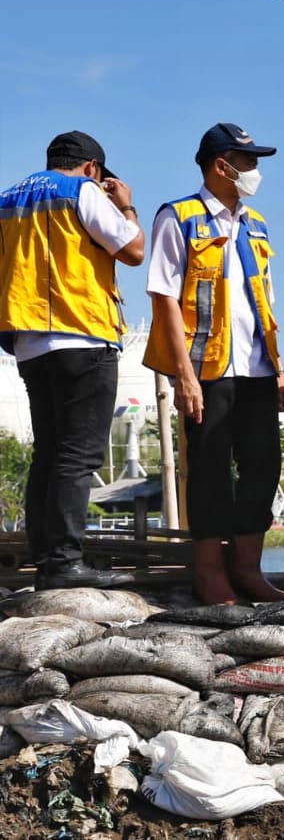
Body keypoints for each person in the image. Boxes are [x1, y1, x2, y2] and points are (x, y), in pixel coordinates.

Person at [143, 123, 284, 605]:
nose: (254, 170)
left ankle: (247, 568)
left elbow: (265, 299)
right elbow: (163, 295)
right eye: (247, 161)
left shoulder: (256, 225)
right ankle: (209, 573)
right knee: (208, 469)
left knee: (264, 464)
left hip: (257, 368)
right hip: (206, 366)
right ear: (220, 164)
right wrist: (182, 374)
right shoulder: (179, 216)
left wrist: (281, 368)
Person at [0, 131, 145, 589]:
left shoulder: (7, 200)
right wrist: (125, 204)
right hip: (81, 332)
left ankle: (46, 559)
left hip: (28, 341)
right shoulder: (82, 190)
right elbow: (134, 250)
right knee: (78, 457)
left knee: (49, 454)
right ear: (91, 168)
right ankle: (65, 562)